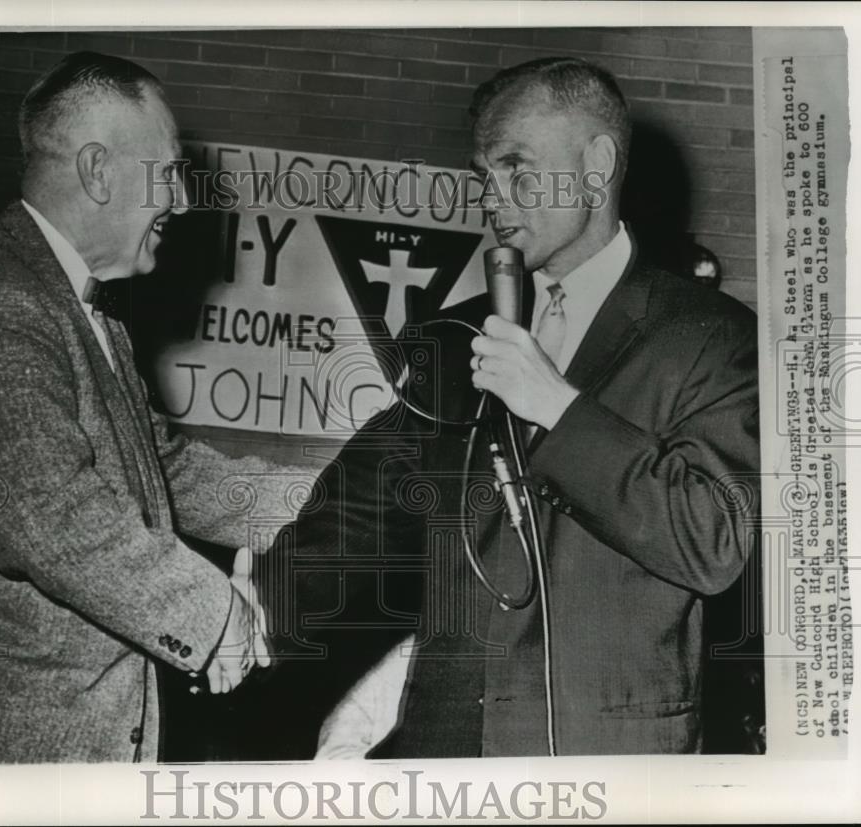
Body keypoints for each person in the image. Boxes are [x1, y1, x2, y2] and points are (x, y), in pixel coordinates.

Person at [252, 56, 760, 757]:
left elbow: (716, 539)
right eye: (482, 176)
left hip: (608, 761)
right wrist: (253, 611)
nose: (493, 198)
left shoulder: (711, 336)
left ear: (596, 165)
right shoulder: (453, 336)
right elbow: (361, 509)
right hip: (447, 751)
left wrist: (558, 405)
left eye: (517, 170)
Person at [0, 52, 271, 764]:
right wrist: (217, 614)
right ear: (98, 172)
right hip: (6, 748)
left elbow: (160, 464)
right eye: (168, 173)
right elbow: (51, 513)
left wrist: (315, 502)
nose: (181, 202)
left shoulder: (75, 304)